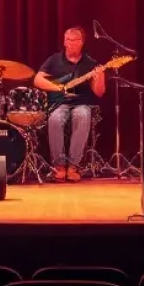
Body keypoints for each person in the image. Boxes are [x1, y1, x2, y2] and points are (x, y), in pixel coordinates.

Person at [34, 27, 106, 182]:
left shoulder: (90, 63)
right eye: (68, 39)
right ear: (64, 41)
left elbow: (99, 92)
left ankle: (73, 166)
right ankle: (59, 166)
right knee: (54, 119)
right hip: (60, 103)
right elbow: (37, 79)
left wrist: (100, 76)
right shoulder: (54, 59)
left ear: (82, 42)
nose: (70, 43)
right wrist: (58, 88)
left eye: (74, 40)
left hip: (81, 103)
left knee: (83, 115)